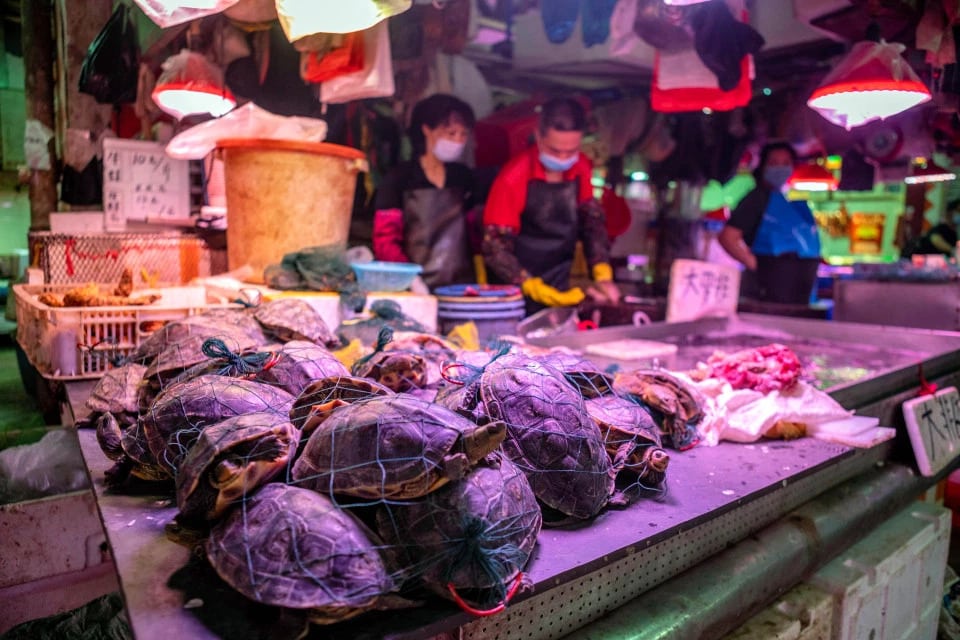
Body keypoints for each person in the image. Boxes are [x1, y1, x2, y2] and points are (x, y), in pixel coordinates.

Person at [481, 97, 620, 310]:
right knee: (504, 345)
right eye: (555, 151)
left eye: (571, 151)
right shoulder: (513, 177)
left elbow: (592, 223)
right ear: (538, 137)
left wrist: (602, 273)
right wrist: (530, 285)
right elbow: (495, 248)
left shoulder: (581, 166)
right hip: (511, 295)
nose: (564, 158)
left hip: (559, 284)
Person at [372, 93, 477, 289]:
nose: (458, 141)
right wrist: (410, 279)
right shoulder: (399, 178)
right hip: (412, 285)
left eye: (464, 134)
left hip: (461, 286)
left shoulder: (464, 177)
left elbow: (474, 233)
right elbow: (385, 239)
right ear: (427, 130)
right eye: (451, 133)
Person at [718, 141, 821, 305]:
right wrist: (755, 264)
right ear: (763, 167)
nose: (780, 168)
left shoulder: (786, 200)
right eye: (774, 163)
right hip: (766, 293)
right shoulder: (756, 198)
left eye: (786, 163)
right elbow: (727, 237)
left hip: (797, 295)